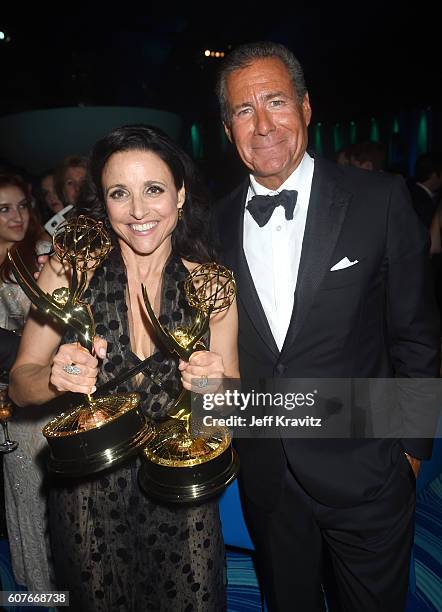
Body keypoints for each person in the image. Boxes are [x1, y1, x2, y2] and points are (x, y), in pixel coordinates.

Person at [212, 41, 439, 611]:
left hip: (368, 467)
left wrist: (410, 455)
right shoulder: (211, 225)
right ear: (227, 127)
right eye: (244, 110)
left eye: (276, 102)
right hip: (266, 473)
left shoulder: (380, 199)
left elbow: (415, 338)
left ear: (306, 107)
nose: (262, 124)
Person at [10, 125, 239, 611]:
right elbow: (21, 383)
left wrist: (216, 391)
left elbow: (227, 415)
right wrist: (54, 377)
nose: (138, 211)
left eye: (153, 189)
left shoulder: (214, 286)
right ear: (104, 201)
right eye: (120, 193)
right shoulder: (71, 269)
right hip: (87, 497)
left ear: (179, 195)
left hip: (182, 494)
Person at [0, 173, 55, 592]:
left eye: (22, 205)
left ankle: (71, 582)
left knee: (56, 492)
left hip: (49, 388)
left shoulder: (43, 254)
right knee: (23, 492)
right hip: (8, 401)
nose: (17, 216)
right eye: (4, 209)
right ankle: (39, 588)